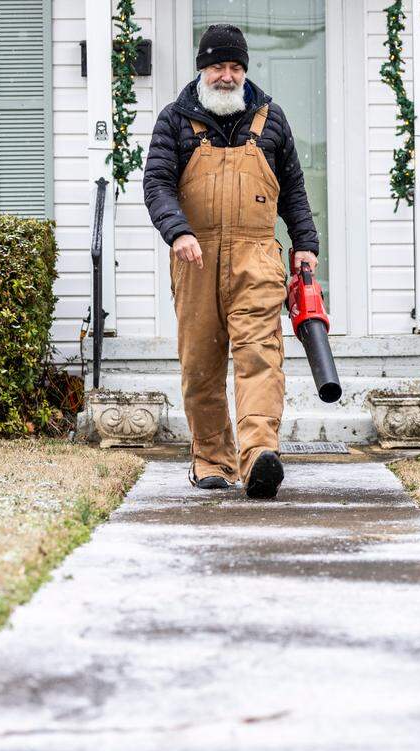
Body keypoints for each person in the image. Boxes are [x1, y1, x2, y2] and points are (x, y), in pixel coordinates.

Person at [143, 23, 320, 499]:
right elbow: (157, 184)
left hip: (257, 258)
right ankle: (212, 460)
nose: (227, 76)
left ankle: (261, 454)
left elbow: (294, 191)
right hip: (194, 258)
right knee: (201, 363)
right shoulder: (175, 120)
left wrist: (305, 242)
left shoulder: (271, 119)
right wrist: (177, 231)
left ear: (245, 71)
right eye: (218, 66)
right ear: (202, 69)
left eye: (235, 67)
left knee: (259, 356)